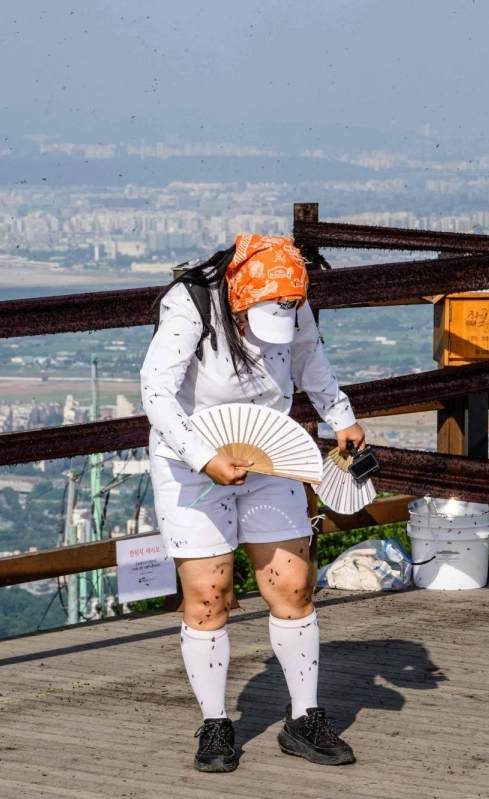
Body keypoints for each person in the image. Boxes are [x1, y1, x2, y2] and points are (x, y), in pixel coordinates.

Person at [141, 234, 365, 773]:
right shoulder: (191, 302)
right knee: (209, 593)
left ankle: (304, 716)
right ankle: (215, 722)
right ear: (238, 299)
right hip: (191, 457)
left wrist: (341, 416)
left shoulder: (291, 295)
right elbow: (155, 388)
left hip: (269, 455)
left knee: (292, 584)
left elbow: (309, 356)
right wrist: (201, 456)